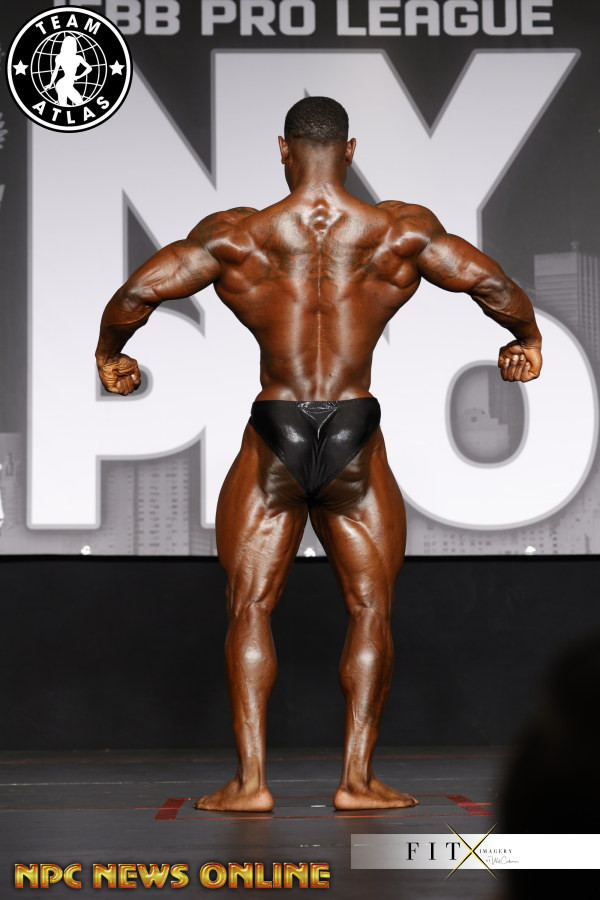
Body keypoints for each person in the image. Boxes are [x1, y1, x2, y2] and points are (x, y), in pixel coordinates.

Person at [95, 97, 542, 812]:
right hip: (354, 429)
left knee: (249, 605)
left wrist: (110, 353)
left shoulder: (238, 236)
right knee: (370, 607)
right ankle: (357, 781)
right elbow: (492, 285)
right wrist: (526, 339)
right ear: (351, 149)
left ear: (283, 149)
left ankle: (250, 785)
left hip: (276, 425)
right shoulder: (399, 231)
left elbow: (138, 292)